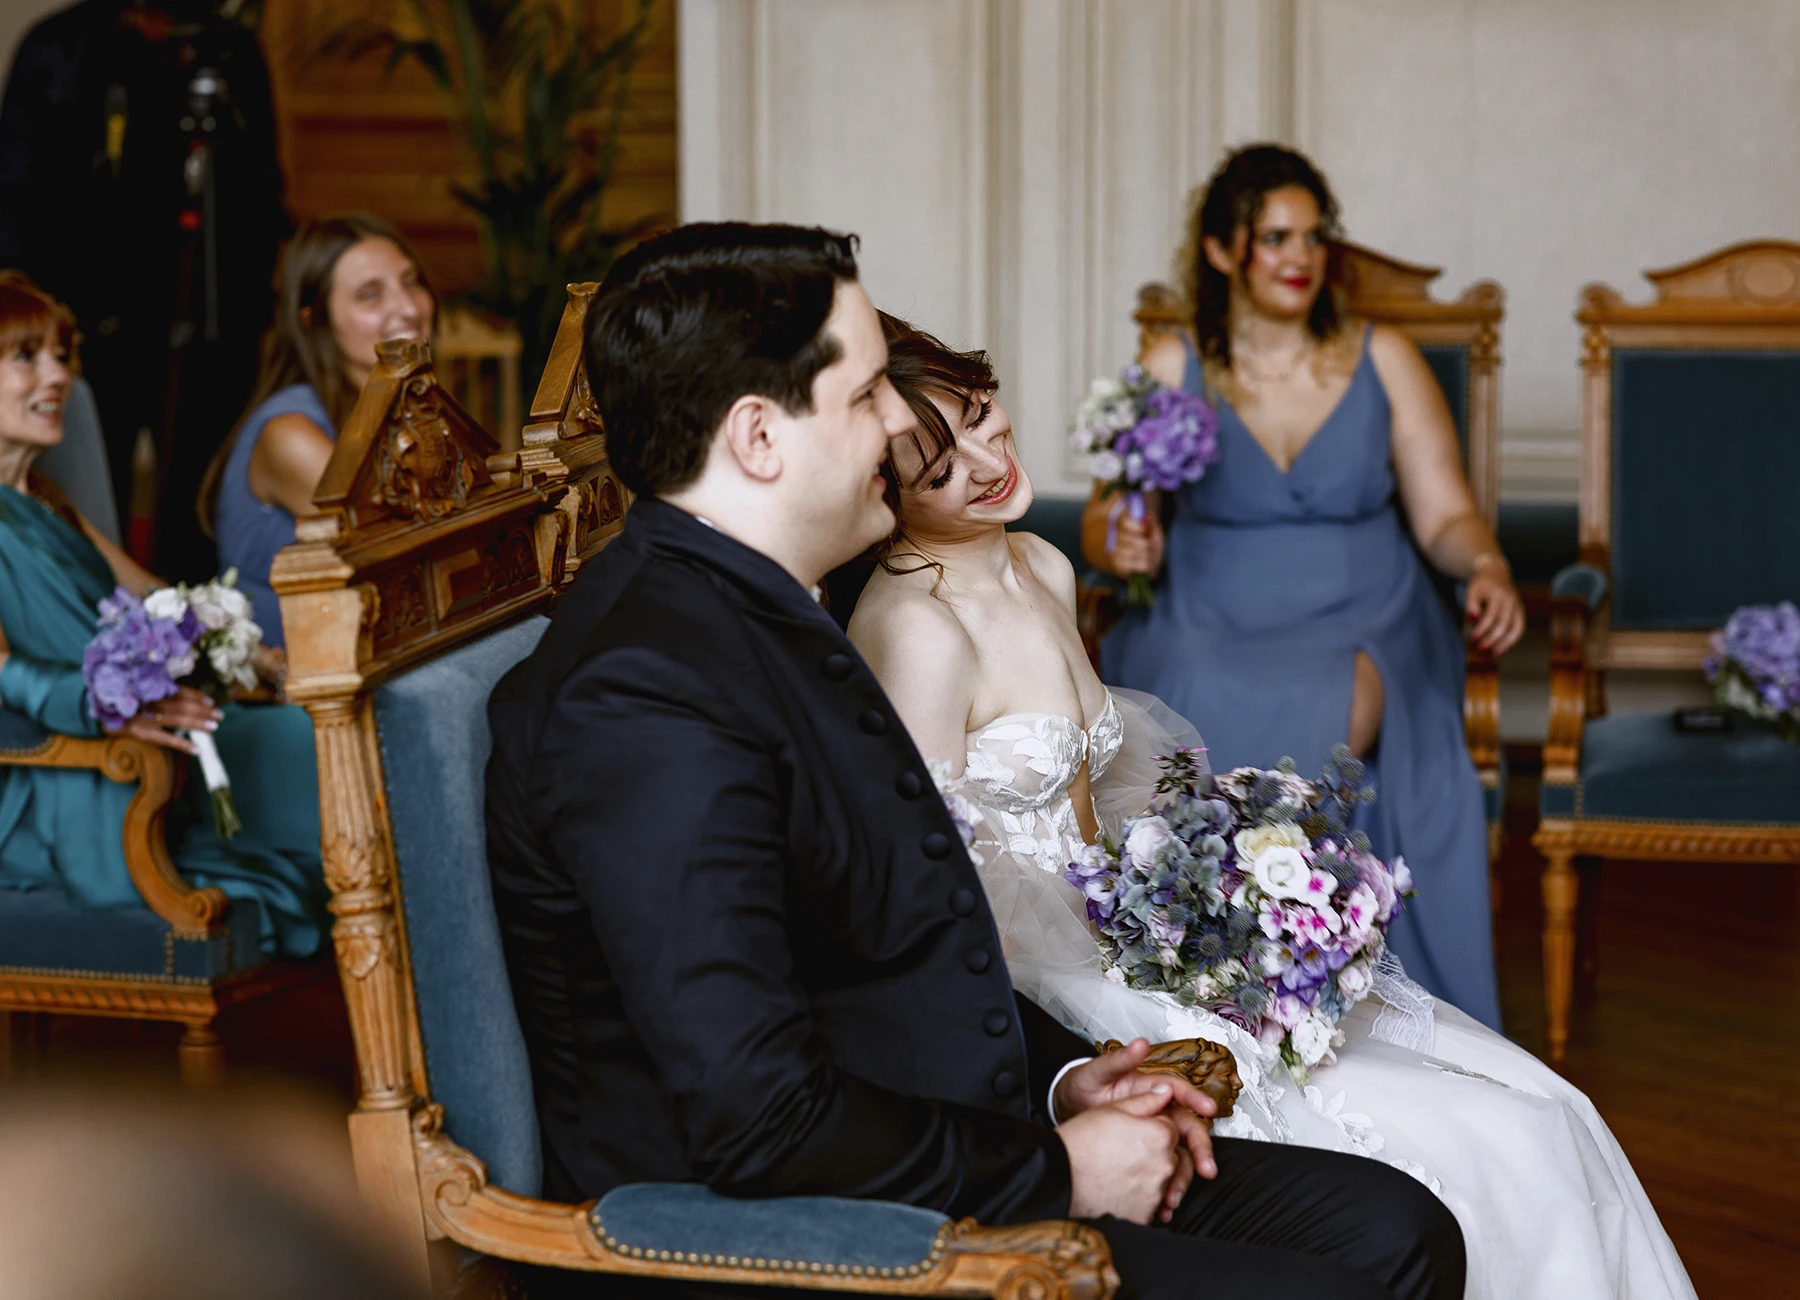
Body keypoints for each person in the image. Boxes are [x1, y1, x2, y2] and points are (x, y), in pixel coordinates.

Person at [485, 222, 1465, 1300]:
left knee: (1399, 1230)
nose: (899, 423)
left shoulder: (779, 602)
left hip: (934, 1137)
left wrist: (1066, 1082)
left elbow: (889, 946)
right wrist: (1057, 1169)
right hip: (784, 1245)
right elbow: (758, 1115)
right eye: (867, 394)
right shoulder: (646, 696)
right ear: (759, 436)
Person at [846, 311, 1697, 1300]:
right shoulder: (915, 630)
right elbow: (926, 892)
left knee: (1544, 1106)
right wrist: (1136, 968)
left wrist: (1226, 886)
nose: (990, 463)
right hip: (1051, 985)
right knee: (1485, 1148)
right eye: (941, 470)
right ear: (885, 493)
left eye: (982, 420)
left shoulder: (1041, 564)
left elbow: (1107, 789)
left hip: (1126, 930)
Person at [1083, 145, 1522, 1029]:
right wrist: (1121, 541)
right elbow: (1106, 517)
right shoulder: (1173, 362)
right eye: (1276, 237)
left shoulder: (1384, 357)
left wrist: (1488, 565)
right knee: (1191, 675)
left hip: (1366, 605)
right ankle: (1210, 959)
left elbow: (1445, 514)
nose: (1301, 256)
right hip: (1208, 605)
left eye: (1314, 237)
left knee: (1345, 686)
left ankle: (1312, 961)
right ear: (1223, 251)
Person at [0, 271, 324, 959]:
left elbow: (155, 596)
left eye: (61, 355)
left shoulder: (50, 501)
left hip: (152, 729)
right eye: (26, 357)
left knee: (324, 733)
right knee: (315, 759)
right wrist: (106, 706)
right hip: (71, 776)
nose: (57, 376)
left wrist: (263, 659)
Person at [0, 0, 289, 580]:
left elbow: (262, 194)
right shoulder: (59, 47)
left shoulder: (225, 51)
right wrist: (34, 328)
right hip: (83, 324)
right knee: (80, 480)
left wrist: (248, 311)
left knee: (197, 503)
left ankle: (197, 617)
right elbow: (15, 194)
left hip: (207, 323)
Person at [198, 212, 435, 652]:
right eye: (370, 295)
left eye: (411, 282)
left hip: (380, 646)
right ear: (314, 320)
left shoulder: (404, 408)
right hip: (294, 677)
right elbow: (419, 558)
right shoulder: (290, 434)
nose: (409, 308)